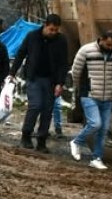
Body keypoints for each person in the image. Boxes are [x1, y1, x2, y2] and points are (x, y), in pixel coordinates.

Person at [11, 14, 69, 152]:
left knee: (47, 110)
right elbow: (21, 54)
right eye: (51, 29)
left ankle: (41, 140)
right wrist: (12, 73)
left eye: (56, 30)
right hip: (34, 78)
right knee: (35, 106)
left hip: (51, 80)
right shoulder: (32, 36)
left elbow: (63, 64)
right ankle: (26, 135)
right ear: (45, 25)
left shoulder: (61, 41)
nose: (53, 33)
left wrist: (60, 83)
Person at [68, 30, 112, 170]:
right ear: (101, 39)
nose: (110, 48)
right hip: (89, 94)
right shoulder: (86, 50)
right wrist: (81, 89)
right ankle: (76, 141)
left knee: (104, 129)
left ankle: (96, 158)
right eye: (108, 44)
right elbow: (76, 71)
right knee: (95, 124)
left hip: (107, 96)